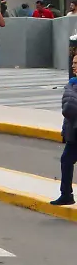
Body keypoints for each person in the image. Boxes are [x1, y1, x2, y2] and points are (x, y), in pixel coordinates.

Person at [53, 54, 77, 206]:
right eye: (73, 62)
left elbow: (69, 106)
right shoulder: (73, 83)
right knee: (66, 160)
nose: (73, 66)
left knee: (67, 159)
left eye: (76, 63)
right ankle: (66, 194)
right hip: (74, 131)